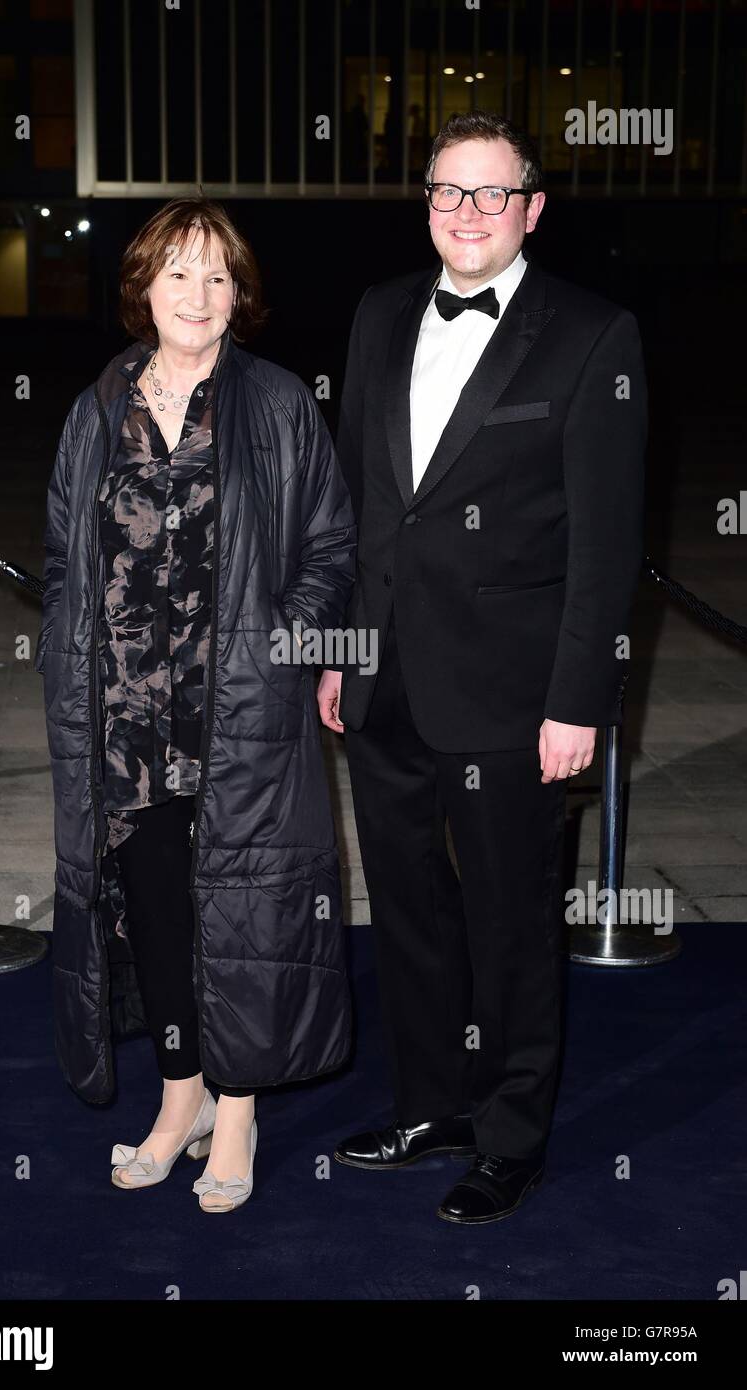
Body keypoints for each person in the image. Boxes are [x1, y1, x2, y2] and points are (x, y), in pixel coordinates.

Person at [318, 111, 646, 1224]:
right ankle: (428, 1104)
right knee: (407, 909)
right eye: (446, 192)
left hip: (514, 697)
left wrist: (577, 702)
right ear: (424, 204)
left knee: (511, 924)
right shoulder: (374, 315)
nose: (465, 213)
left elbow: (606, 547)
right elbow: (362, 507)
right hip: (387, 682)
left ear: (531, 209)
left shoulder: (592, 337)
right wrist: (342, 652)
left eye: (489, 194)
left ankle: (508, 1137)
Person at [36, 197, 356, 1212]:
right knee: (160, 913)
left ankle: (240, 1107)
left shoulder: (274, 405)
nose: (197, 293)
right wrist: (65, 660)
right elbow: (59, 561)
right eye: (177, 272)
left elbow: (329, 549)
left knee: (246, 911)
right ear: (143, 287)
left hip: (238, 717)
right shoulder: (95, 408)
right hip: (125, 721)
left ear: (239, 295)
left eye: (216, 275)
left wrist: (282, 649)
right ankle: (180, 1098)